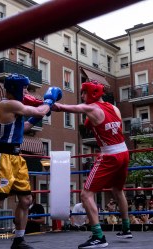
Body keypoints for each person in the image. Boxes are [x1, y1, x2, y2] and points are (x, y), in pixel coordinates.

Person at [0, 73, 62, 249]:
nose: (26, 91)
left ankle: (19, 240)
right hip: (2, 158)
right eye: (24, 87)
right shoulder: (8, 104)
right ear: (15, 88)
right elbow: (38, 110)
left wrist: (41, 111)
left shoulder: (16, 107)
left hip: (17, 159)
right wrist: (49, 101)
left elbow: (26, 126)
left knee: (26, 200)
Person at [52, 80, 132, 248]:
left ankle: (98, 236)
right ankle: (126, 229)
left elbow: (70, 108)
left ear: (93, 93)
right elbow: (118, 129)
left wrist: (52, 104)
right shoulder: (114, 108)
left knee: (86, 194)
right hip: (124, 152)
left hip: (110, 154)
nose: (81, 96)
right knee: (118, 190)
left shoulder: (92, 108)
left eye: (84, 93)